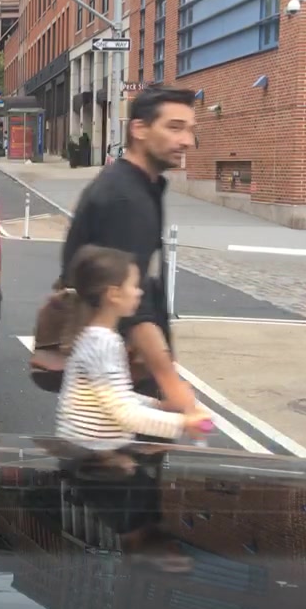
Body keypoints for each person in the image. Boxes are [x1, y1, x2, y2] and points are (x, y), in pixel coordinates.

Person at [60, 86, 198, 423]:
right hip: (120, 373)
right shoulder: (126, 199)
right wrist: (172, 385)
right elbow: (132, 303)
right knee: (121, 452)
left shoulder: (135, 187)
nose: (187, 141)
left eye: (190, 130)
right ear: (139, 129)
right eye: (174, 127)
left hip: (117, 372)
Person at [56, 244, 211, 443]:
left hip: (90, 448)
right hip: (94, 452)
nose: (139, 293)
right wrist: (184, 423)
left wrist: (158, 405)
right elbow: (124, 413)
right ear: (114, 294)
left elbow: (113, 397)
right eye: (134, 286)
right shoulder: (102, 343)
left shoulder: (96, 337)